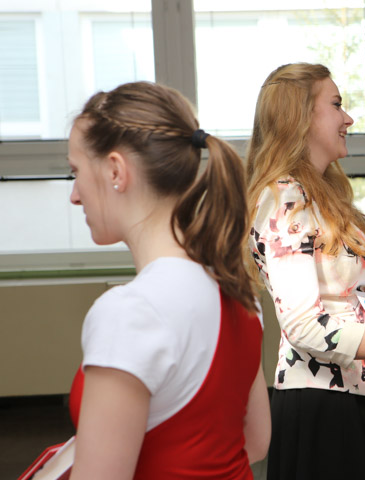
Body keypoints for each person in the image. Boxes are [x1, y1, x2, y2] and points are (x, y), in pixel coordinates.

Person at [246, 63, 365, 480]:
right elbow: (305, 327)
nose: (348, 119)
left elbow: (329, 285)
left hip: (358, 392)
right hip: (324, 407)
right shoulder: (285, 199)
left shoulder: (318, 192)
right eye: (336, 105)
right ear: (300, 116)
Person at [66, 81, 270, 479]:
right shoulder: (235, 290)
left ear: (115, 171)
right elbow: (255, 441)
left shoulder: (130, 312)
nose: (74, 195)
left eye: (76, 172)